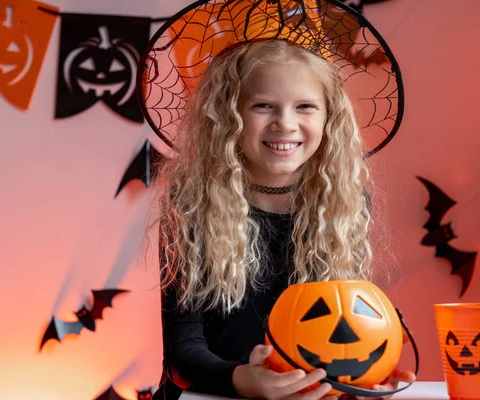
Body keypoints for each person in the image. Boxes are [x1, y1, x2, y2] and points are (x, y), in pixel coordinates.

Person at [138, 2, 415, 400]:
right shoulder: (193, 205)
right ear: (228, 114)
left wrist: (366, 367)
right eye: (263, 105)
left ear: (329, 118)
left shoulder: (341, 204)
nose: (285, 123)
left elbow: (339, 328)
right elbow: (182, 353)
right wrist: (242, 379)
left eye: (305, 106)